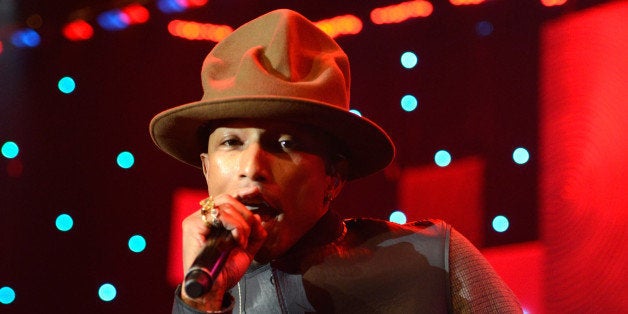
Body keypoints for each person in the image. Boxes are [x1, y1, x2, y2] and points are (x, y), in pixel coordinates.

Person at [150, 9, 522, 313]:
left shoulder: (432, 261)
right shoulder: (201, 291)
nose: (252, 167)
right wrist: (200, 303)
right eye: (231, 142)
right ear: (205, 167)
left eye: (284, 143)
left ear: (335, 177)